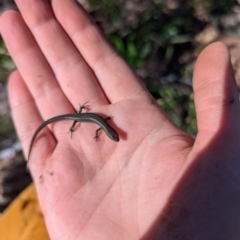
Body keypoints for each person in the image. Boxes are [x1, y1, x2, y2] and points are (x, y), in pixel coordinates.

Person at [0, 1, 240, 239]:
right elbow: (99, 126)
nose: (115, 136)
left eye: (114, 136)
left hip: (84, 116)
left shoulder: (107, 127)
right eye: (114, 135)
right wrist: (80, 122)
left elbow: (102, 126)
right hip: (81, 116)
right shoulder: (105, 128)